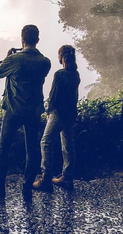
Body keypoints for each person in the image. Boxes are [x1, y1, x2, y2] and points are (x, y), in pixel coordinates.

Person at [0, 25, 51, 197]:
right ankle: (27, 185)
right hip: (33, 111)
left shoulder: (14, 59)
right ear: (37, 40)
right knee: (32, 148)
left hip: (13, 110)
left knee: (4, 147)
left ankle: (0, 184)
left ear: (22, 39)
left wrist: (7, 57)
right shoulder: (45, 62)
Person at [33, 45, 80, 192]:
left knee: (45, 142)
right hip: (70, 114)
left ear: (61, 57)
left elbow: (53, 97)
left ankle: (46, 178)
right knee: (68, 144)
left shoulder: (59, 74)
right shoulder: (75, 74)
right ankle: (67, 177)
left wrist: (47, 110)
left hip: (58, 114)